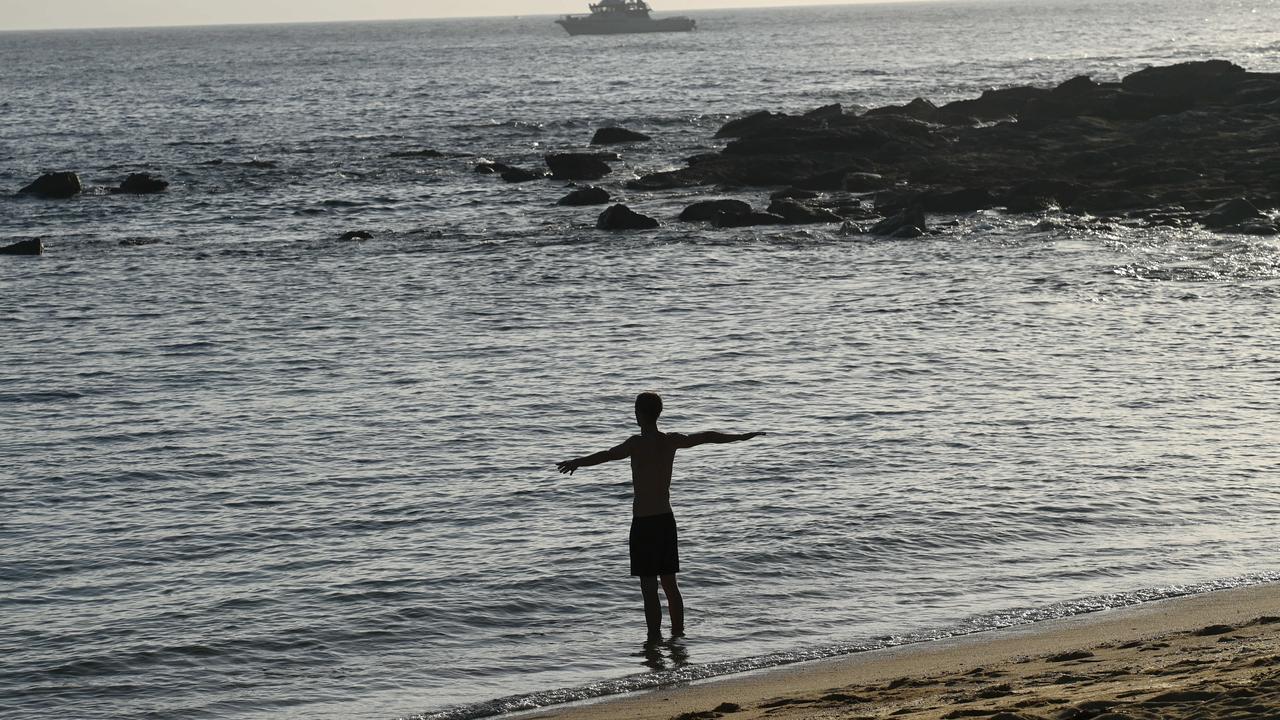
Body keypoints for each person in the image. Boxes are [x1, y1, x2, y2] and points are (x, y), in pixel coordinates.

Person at [556, 392, 765, 644]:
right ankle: (677, 637)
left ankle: (654, 639)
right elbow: (707, 437)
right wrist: (740, 437)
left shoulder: (635, 444)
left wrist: (578, 462)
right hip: (665, 520)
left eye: (635, 410)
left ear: (640, 414)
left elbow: (607, 455)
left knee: (648, 587)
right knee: (669, 584)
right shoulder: (670, 441)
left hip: (644, 523)